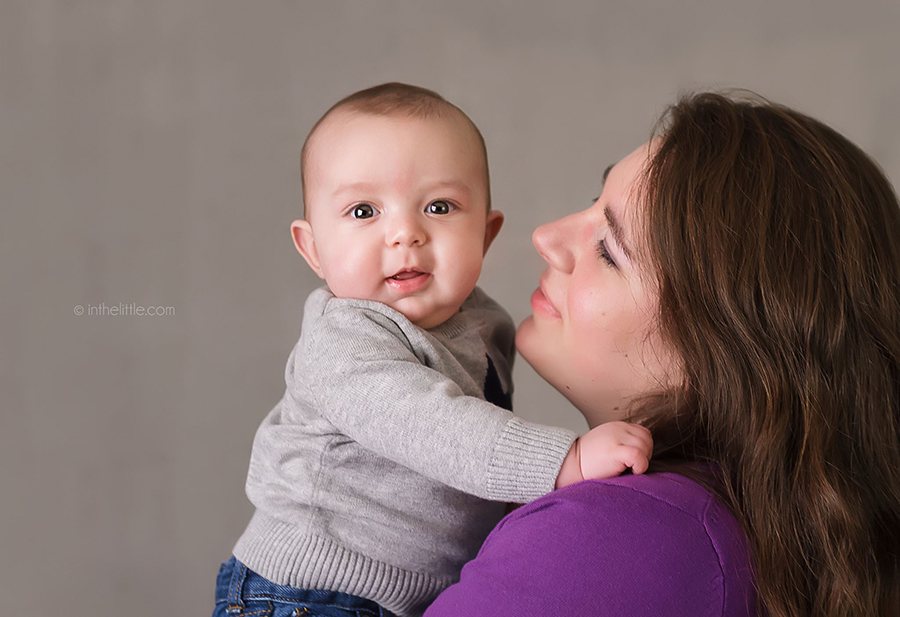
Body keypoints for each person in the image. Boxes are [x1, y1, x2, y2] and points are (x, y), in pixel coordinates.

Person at [425, 92, 900, 616]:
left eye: (610, 250)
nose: (546, 236)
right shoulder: (746, 534)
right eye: (591, 199)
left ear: (721, 350)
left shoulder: (612, 541)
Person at [212, 83, 653, 617]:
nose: (405, 234)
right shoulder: (344, 341)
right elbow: (435, 427)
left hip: (403, 594)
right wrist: (566, 461)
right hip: (309, 590)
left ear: (486, 235)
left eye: (439, 206)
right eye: (362, 212)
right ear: (313, 249)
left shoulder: (483, 321)